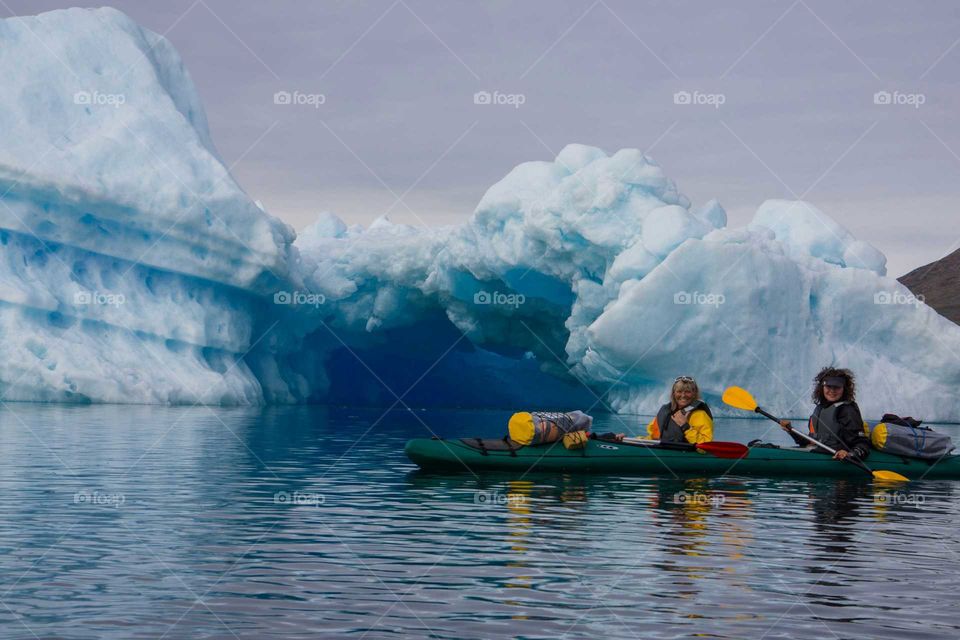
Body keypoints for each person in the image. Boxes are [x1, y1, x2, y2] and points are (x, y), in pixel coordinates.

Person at [779, 367, 870, 461]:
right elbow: (811, 442)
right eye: (828, 386)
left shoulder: (847, 410)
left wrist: (849, 455)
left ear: (844, 389)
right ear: (822, 387)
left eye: (837, 387)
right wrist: (791, 431)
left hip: (837, 459)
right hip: (819, 452)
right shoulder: (820, 408)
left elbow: (862, 444)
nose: (832, 390)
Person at [645, 376, 714, 444]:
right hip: (663, 450)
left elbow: (706, 445)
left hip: (686, 453)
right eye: (679, 391)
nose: (683, 395)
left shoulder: (700, 415)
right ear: (674, 393)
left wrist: (685, 426)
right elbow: (652, 436)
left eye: (687, 392)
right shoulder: (666, 411)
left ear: (694, 393)